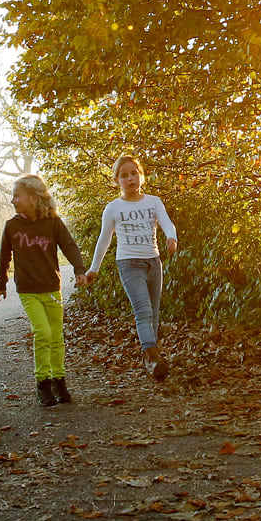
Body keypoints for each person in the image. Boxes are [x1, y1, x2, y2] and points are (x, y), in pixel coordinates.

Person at [0, 174, 90, 407]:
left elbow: (69, 245)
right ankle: (42, 383)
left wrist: (79, 269)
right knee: (42, 332)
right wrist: (1, 284)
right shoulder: (12, 226)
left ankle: (59, 380)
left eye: (17, 196)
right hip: (28, 290)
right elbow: (4, 256)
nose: (13, 201)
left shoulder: (53, 223)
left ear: (34, 198)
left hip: (51, 287)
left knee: (56, 336)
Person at [84, 154, 179, 382]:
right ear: (117, 181)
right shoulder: (113, 208)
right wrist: (94, 268)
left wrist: (171, 238)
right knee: (143, 311)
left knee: (154, 314)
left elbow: (166, 222)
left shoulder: (153, 201)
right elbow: (104, 239)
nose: (130, 179)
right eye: (124, 175)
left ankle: (149, 357)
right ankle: (154, 358)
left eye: (134, 173)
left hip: (153, 263)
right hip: (129, 264)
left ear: (141, 176)